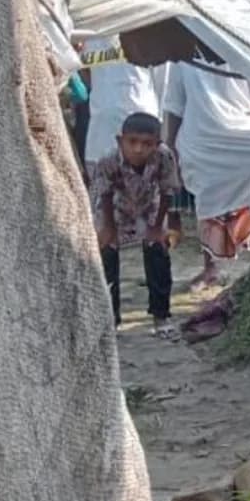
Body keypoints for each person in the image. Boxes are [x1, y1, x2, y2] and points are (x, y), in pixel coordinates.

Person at [164, 59, 250, 289]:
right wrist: (170, 149)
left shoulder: (245, 50)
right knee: (208, 200)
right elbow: (174, 107)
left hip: (242, 133)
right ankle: (210, 267)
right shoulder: (182, 54)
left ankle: (241, 233)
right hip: (201, 138)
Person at [89, 111, 181, 336]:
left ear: (157, 144)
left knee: (158, 251)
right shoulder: (108, 160)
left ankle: (161, 316)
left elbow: (168, 191)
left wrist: (157, 228)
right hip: (114, 208)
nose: (138, 149)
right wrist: (109, 229)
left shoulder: (164, 156)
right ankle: (110, 321)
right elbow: (105, 194)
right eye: (132, 142)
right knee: (106, 255)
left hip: (149, 205)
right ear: (120, 141)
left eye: (147, 144)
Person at [80, 40, 165, 178]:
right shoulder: (89, 36)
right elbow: (86, 74)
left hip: (141, 138)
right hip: (101, 137)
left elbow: (163, 85)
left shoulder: (149, 33)